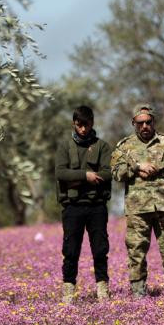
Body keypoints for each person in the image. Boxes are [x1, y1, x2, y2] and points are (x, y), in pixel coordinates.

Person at [111, 103, 164, 298]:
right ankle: (138, 292)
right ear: (133, 123)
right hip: (138, 208)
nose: (144, 126)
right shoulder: (124, 147)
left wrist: (157, 167)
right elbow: (116, 172)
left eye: (148, 122)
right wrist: (136, 167)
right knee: (136, 250)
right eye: (140, 123)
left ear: (154, 122)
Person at [55, 105, 113, 304]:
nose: (83, 129)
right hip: (72, 207)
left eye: (86, 125)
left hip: (97, 206)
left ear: (92, 123)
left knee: (100, 249)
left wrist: (75, 179)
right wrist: (86, 176)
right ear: (74, 124)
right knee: (70, 250)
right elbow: (60, 173)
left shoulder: (102, 146)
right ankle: (68, 290)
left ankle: (102, 289)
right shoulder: (65, 147)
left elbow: (108, 173)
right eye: (79, 125)